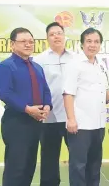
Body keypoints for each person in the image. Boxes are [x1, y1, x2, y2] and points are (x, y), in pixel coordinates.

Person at [0, 27, 52, 186]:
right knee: (16, 168)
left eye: (31, 42)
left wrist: (47, 106)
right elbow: (5, 94)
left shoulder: (37, 67)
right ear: (12, 44)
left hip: (36, 123)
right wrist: (27, 109)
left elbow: (45, 90)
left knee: (29, 167)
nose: (28, 44)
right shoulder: (5, 66)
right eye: (23, 41)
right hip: (16, 123)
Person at [63, 27, 109, 186]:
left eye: (97, 41)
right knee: (78, 166)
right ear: (82, 44)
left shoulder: (100, 66)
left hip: (99, 124)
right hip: (80, 125)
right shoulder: (74, 64)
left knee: (94, 165)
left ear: (100, 45)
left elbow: (103, 88)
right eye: (89, 41)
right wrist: (71, 119)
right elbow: (68, 94)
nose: (93, 45)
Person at [33, 22, 74, 186]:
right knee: (49, 158)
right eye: (52, 34)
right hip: (49, 118)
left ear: (65, 36)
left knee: (77, 157)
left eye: (59, 33)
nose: (56, 36)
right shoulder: (39, 60)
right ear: (47, 38)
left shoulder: (76, 58)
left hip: (73, 118)